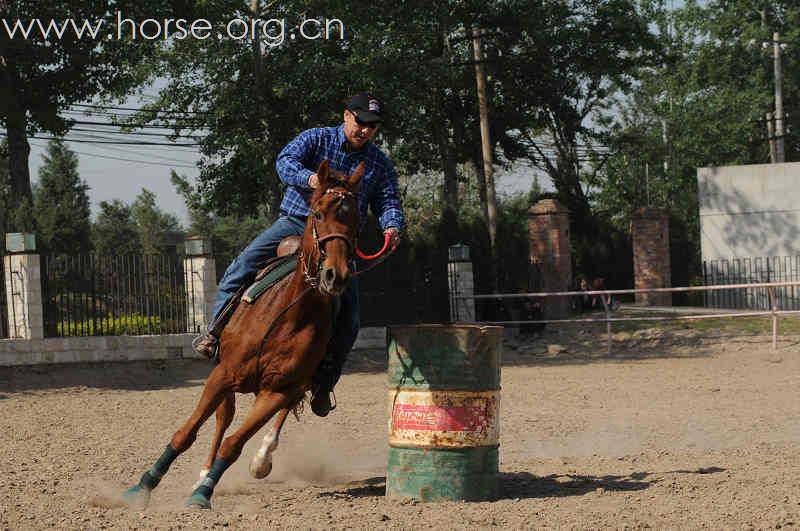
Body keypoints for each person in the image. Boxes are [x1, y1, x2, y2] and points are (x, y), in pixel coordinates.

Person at [192, 92, 404, 417]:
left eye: (372, 126)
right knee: (242, 267)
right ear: (347, 115)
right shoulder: (316, 138)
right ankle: (215, 335)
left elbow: (388, 200)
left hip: (339, 239)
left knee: (350, 318)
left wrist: (392, 227)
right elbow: (284, 161)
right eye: (360, 122)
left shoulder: (380, 164)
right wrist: (310, 178)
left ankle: (323, 384)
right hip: (294, 223)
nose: (365, 130)